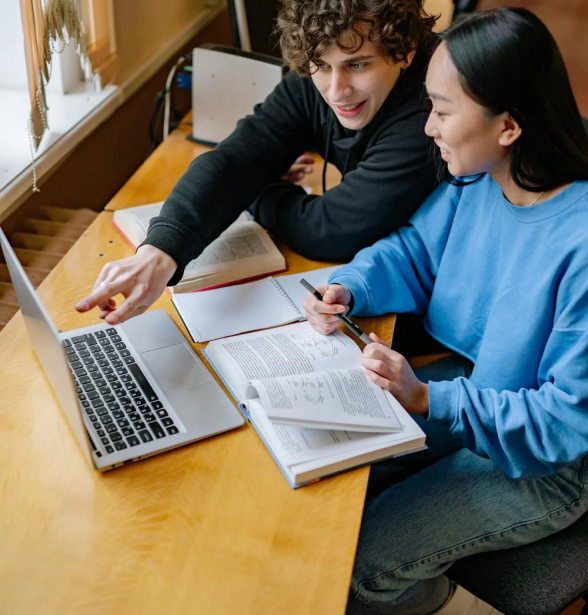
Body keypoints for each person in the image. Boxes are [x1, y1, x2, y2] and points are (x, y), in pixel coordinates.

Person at [304, 7, 588, 615]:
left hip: (552, 465)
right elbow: (413, 249)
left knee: (355, 567)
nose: (427, 126)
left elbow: (566, 423)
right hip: (479, 391)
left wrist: (431, 402)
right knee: (324, 476)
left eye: (441, 109)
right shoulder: (479, 179)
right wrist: (351, 286)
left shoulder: (581, 239)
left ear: (507, 125)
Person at [75, 0, 439, 324]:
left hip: (427, 311)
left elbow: (329, 230)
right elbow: (238, 158)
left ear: (404, 50)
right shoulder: (321, 72)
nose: (335, 91)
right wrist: (159, 252)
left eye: (357, 65)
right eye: (321, 66)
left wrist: (257, 186)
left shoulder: (432, 109)